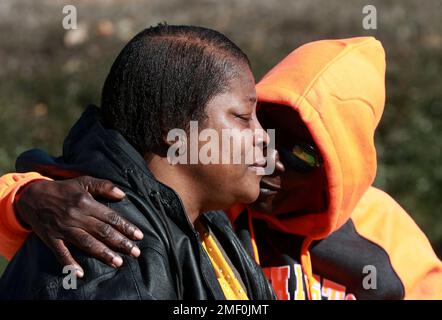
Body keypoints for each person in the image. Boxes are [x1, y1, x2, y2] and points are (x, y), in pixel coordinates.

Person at [1, 37, 441, 299]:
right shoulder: (206, 205)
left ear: (342, 163)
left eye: (303, 154)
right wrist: (26, 199)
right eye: (259, 124)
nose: (268, 155)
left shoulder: (383, 232)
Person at [0, 24, 276, 300]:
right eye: (242, 116)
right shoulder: (108, 250)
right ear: (172, 127)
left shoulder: (203, 220)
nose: (264, 137)